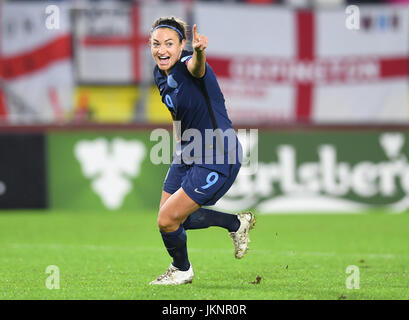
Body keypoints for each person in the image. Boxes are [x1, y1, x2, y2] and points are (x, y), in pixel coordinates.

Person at [149, 16, 256, 285]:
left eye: (169, 44)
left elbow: (197, 69)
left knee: (168, 219)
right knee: (170, 218)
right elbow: (178, 113)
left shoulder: (189, 63)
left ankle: (182, 270)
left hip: (218, 154)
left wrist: (199, 52)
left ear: (182, 44)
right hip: (188, 150)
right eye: (156, 43)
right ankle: (235, 224)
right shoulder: (159, 73)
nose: (161, 50)